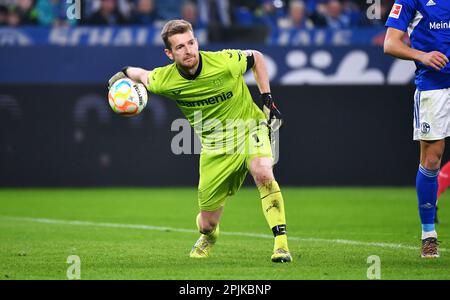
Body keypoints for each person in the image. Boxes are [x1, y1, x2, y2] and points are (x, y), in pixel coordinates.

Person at [108, 19, 292, 263]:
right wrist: (121, 74)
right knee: (207, 222)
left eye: (191, 43)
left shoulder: (224, 61)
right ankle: (209, 236)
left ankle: (281, 246)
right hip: (214, 148)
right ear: (169, 53)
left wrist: (267, 98)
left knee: (263, 172)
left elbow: (256, 57)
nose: (189, 50)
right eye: (180, 47)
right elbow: (141, 74)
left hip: (249, 128)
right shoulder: (166, 80)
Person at [384, 0, 449, 258]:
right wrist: (422, 55)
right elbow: (390, 43)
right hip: (433, 87)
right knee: (432, 158)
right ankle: (428, 234)